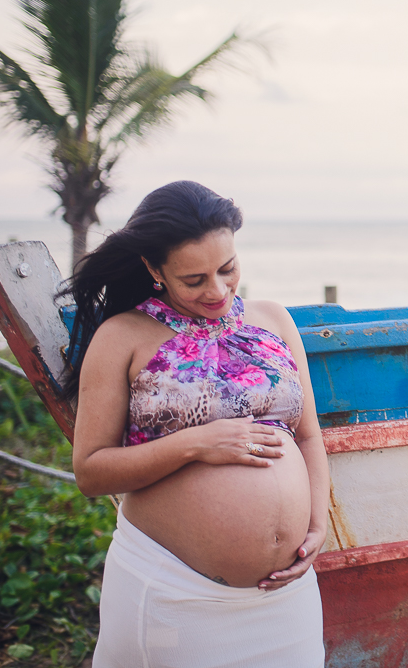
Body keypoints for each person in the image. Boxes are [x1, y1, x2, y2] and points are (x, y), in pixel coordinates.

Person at [65, 181, 328, 667]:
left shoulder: (273, 320)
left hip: (286, 598)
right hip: (175, 595)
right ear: (154, 269)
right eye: (194, 280)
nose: (217, 290)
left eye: (227, 269)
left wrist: (317, 523)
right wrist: (194, 445)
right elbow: (91, 471)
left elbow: (308, 435)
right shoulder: (122, 336)